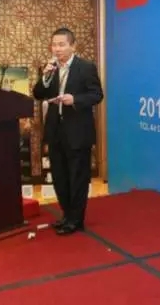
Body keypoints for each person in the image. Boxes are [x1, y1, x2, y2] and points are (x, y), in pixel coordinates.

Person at [33, 27, 103, 235]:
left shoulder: (86, 67)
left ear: (73, 46)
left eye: (62, 45)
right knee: (59, 176)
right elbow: (38, 94)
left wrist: (75, 100)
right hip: (56, 131)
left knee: (77, 177)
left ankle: (76, 220)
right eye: (54, 45)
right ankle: (66, 215)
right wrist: (45, 77)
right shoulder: (51, 68)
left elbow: (97, 94)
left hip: (78, 132)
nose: (57, 49)